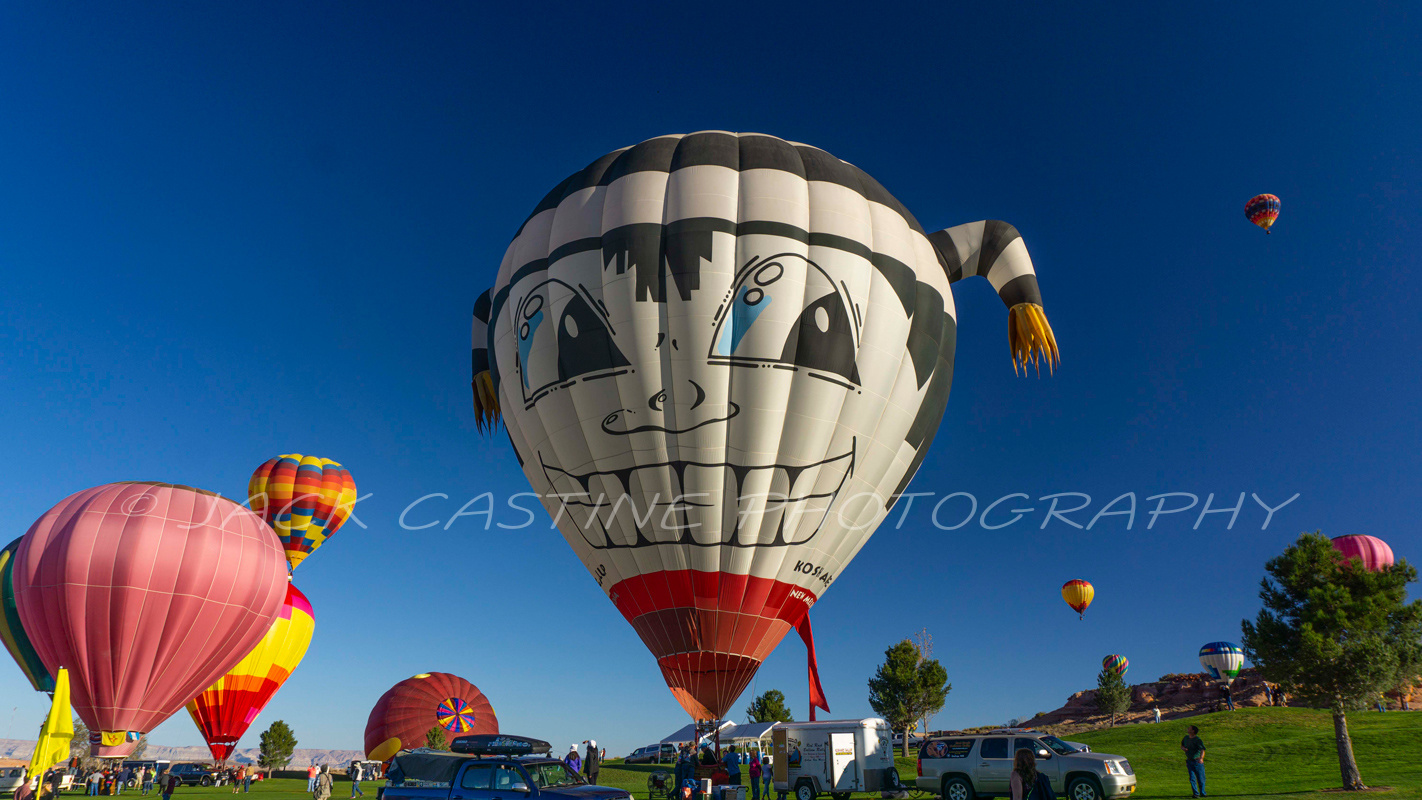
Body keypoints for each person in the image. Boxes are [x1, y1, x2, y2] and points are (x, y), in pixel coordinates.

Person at [1180, 725, 1206, 798]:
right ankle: (1196, 793)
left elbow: (1202, 750)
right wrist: (1183, 748)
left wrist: (1201, 758)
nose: (1188, 729)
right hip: (1189, 761)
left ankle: (1203, 792)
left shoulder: (1197, 740)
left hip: (1197, 761)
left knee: (1201, 778)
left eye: (1189, 728)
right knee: (1192, 778)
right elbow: (1181, 745)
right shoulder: (1186, 738)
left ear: (1193, 731)